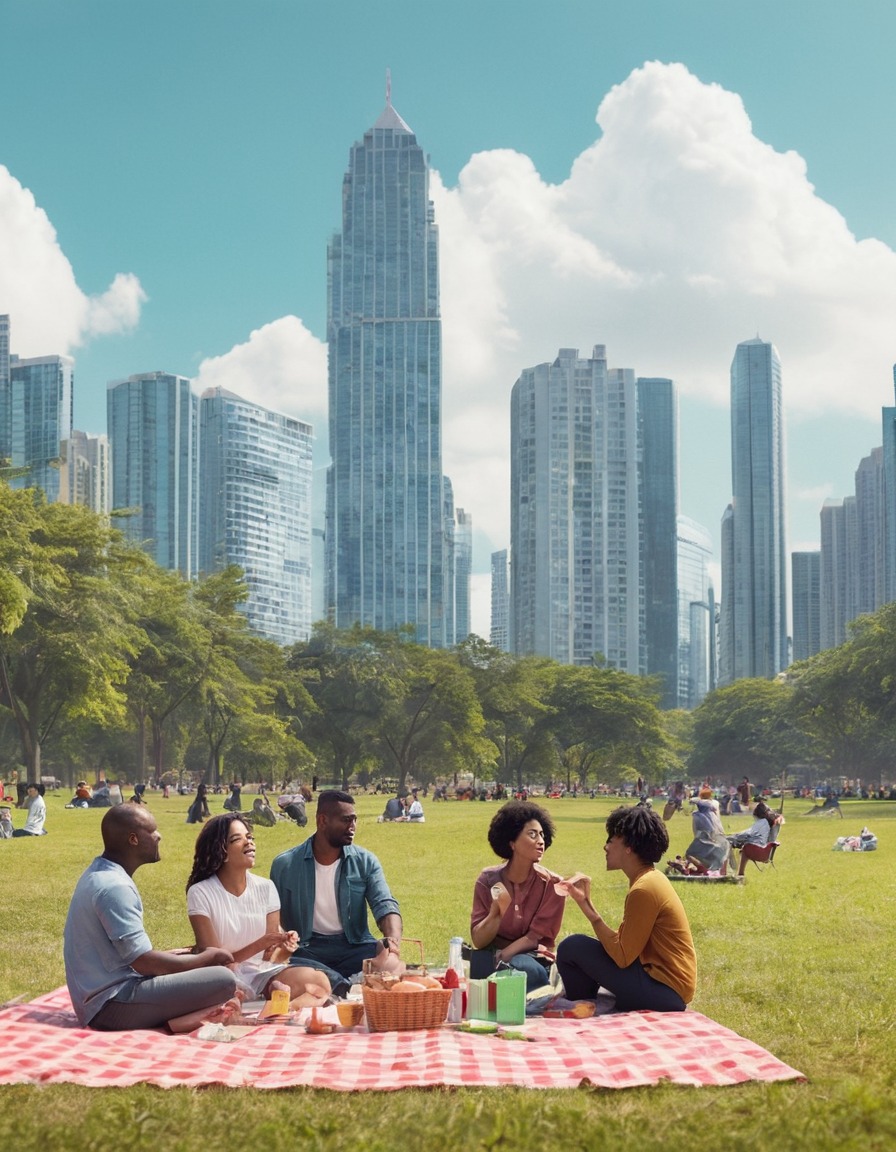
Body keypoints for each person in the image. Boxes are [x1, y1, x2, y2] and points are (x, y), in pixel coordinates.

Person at [63, 804, 237, 1030]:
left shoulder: (101, 872)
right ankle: (181, 1023)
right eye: (152, 831)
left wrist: (183, 957)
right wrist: (209, 957)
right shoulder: (114, 887)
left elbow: (129, 956)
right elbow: (145, 964)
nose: (159, 836)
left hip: (101, 998)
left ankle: (178, 1019)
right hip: (110, 1008)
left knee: (199, 969)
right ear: (133, 839)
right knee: (223, 980)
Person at [556, 804, 697, 1012]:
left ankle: (586, 1005)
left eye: (611, 840)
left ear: (628, 846)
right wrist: (585, 902)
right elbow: (625, 948)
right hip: (665, 988)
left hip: (665, 993)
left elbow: (622, 956)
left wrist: (589, 912)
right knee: (579, 948)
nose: (606, 847)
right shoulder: (649, 879)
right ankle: (592, 1004)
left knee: (572, 947)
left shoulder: (644, 889)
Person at [270, 789, 403, 997]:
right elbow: (273, 922)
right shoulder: (285, 865)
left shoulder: (365, 861)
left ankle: (333, 985)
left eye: (355, 820)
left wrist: (392, 947)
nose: (353, 827)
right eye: (346, 820)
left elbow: (385, 905)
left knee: (394, 966)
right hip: (306, 950)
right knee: (284, 968)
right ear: (322, 821)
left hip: (355, 947)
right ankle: (348, 984)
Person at [186, 814, 330, 1007]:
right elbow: (214, 962)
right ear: (221, 851)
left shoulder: (266, 887)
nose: (249, 842)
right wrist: (260, 943)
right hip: (222, 976)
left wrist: (284, 948)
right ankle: (266, 1000)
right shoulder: (200, 892)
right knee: (222, 985)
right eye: (238, 839)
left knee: (318, 981)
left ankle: (280, 1006)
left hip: (261, 974)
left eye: (250, 837)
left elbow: (269, 959)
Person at [470, 801, 565, 991]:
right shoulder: (487, 880)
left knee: (524, 967)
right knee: (490, 968)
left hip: (531, 956)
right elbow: (478, 940)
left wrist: (504, 956)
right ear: (512, 842)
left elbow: (534, 937)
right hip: (492, 952)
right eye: (532, 834)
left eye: (542, 835)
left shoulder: (553, 885)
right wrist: (495, 914)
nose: (540, 841)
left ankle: (498, 985)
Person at [681, 787, 732, 874]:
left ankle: (705, 869)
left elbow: (696, 831)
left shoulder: (699, 814)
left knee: (691, 854)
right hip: (718, 834)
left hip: (706, 836)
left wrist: (691, 799)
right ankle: (719, 871)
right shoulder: (713, 806)